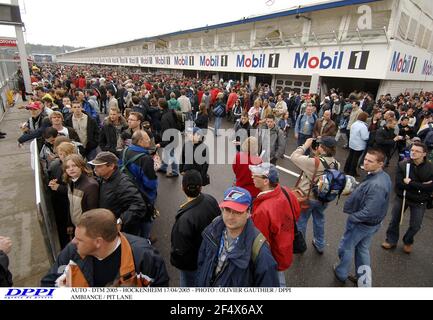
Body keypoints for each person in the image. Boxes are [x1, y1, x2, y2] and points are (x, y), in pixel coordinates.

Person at [41, 209, 169, 287]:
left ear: (98, 242)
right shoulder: (71, 251)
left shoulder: (144, 256)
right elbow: (48, 283)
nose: (73, 242)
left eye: (79, 239)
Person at [195, 187, 279, 287]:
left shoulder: (260, 251)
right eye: (227, 209)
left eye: (237, 212)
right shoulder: (212, 229)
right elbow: (201, 264)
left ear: (248, 213)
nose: (230, 217)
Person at [333, 149, 392, 286]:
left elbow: (369, 211)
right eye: (365, 159)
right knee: (362, 250)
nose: (365, 163)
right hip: (372, 224)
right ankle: (363, 281)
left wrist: (353, 217)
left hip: (362, 224)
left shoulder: (376, 185)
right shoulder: (383, 176)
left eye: (370, 161)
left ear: (380, 164)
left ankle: (341, 273)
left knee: (346, 247)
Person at [250, 163, 301, 287]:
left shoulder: (263, 209)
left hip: (273, 254)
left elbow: (260, 242)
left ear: (266, 181)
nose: (252, 177)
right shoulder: (286, 191)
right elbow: (297, 213)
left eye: (255, 175)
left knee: (274, 280)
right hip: (286, 247)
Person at [170, 170, 221, 287]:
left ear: (182, 188)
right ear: (201, 187)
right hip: (209, 257)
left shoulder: (184, 219)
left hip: (192, 266)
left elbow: (180, 252)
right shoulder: (211, 200)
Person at [290, 137, 340, 254]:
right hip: (324, 199)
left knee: (302, 221)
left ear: (322, 148)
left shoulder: (313, 162)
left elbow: (294, 156)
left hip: (308, 197)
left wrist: (305, 145)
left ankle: (300, 245)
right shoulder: (337, 164)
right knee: (319, 220)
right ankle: (320, 244)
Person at [382, 142, 433, 254]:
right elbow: (400, 184)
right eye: (412, 150)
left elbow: (430, 187)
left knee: (416, 225)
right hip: (403, 197)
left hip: (420, 201)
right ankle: (391, 240)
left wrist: (411, 183)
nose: (413, 152)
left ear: (424, 154)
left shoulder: (430, 168)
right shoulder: (403, 164)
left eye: (417, 151)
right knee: (395, 220)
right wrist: (422, 185)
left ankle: (408, 241)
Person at [90, 152, 147, 236]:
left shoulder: (123, 183)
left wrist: (120, 221)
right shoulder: (104, 177)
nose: (95, 169)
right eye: (95, 166)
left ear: (111, 166)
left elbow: (138, 205)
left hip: (121, 231)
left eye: (99, 166)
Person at [119, 130, 158, 239]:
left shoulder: (125, 150)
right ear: (140, 141)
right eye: (147, 139)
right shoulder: (145, 159)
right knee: (146, 219)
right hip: (144, 194)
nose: (149, 140)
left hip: (129, 191)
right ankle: (146, 239)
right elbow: (150, 183)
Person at [49, 154, 99, 228]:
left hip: (85, 228)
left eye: (74, 165)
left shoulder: (91, 186)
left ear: (81, 167)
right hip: (76, 225)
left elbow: (93, 213)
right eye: (67, 167)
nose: (71, 169)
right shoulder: (71, 181)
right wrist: (70, 224)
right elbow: (71, 204)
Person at [344, 112, 370, 177]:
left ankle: (346, 169)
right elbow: (365, 137)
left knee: (350, 156)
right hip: (359, 145)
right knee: (355, 159)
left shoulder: (354, 123)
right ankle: (352, 172)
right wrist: (369, 133)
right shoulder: (363, 126)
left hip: (352, 143)